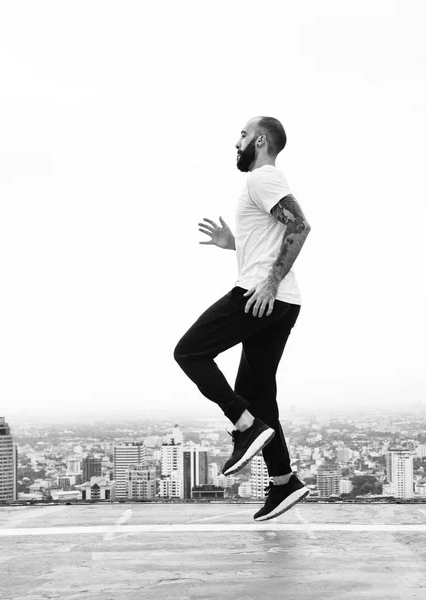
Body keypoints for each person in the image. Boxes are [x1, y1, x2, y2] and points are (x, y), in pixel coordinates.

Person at [174, 116, 311, 521]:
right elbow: (269, 239)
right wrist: (232, 244)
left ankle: (244, 426)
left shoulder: (261, 178)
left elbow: (300, 226)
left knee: (190, 352)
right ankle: (285, 482)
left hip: (260, 295)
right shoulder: (262, 185)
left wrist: (268, 283)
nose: (237, 142)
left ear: (261, 139)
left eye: (243, 135)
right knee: (259, 394)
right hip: (283, 300)